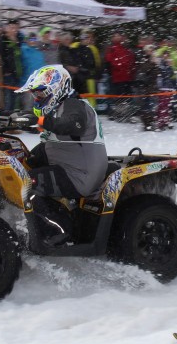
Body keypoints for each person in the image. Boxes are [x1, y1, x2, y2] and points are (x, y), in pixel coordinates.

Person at [14, 65, 108, 249]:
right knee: (20, 165)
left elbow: (74, 125)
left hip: (80, 175)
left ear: (57, 89)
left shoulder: (75, 105)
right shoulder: (59, 108)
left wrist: (40, 121)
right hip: (69, 166)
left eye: (40, 94)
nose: (37, 98)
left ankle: (59, 232)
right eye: (35, 94)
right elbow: (47, 137)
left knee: (25, 185)